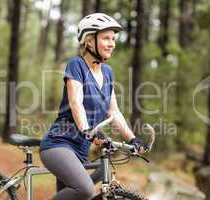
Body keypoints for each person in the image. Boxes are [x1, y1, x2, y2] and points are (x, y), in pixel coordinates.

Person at [40, 13, 147, 200]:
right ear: (89, 41)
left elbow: (113, 112)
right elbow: (76, 103)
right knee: (86, 190)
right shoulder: (77, 65)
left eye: (113, 39)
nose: (112, 43)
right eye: (106, 38)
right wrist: (88, 130)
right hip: (59, 144)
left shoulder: (108, 72)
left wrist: (132, 139)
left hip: (81, 151)